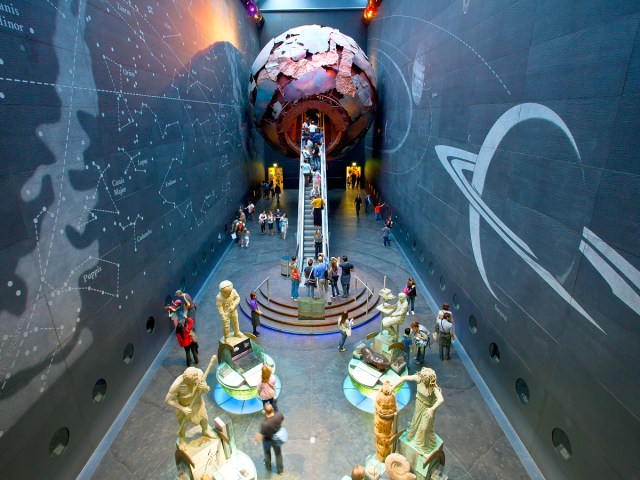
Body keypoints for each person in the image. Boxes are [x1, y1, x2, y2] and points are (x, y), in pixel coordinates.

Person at [390, 368, 444, 453]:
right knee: (416, 421)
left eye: (426, 378)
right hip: (419, 404)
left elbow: (441, 399)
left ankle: (420, 445)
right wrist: (392, 387)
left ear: (430, 379)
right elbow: (404, 378)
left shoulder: (433, 388)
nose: (424, 380)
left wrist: (432, 409)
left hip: (428, 409)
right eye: (424, 377)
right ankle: (413, 436)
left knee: (424, 427)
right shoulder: (419, 379)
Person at [165, 364, 216, 449]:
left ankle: (205, 431)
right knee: (183, 425)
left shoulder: (199, 373)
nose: (196, 382)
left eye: (196, 379)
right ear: (186, 381)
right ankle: (182, 441)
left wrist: (205, 387)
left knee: (204, 419)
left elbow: (207, 390)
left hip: (198, 403)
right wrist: (182, 409)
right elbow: (168, 400)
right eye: (193, 381)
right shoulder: (177, 385)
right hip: (184, 406)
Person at [256, 403, 285, 474]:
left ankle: (268, 466)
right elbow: (281, 419)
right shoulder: (279, 415)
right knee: (278, 455)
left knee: (267, 453)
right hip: (276, 439)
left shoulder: (264, 424)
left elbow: (261, 435)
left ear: (265, 412)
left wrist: (256, 440)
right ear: (272, 409)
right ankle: (280, 470)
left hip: (267, 440)